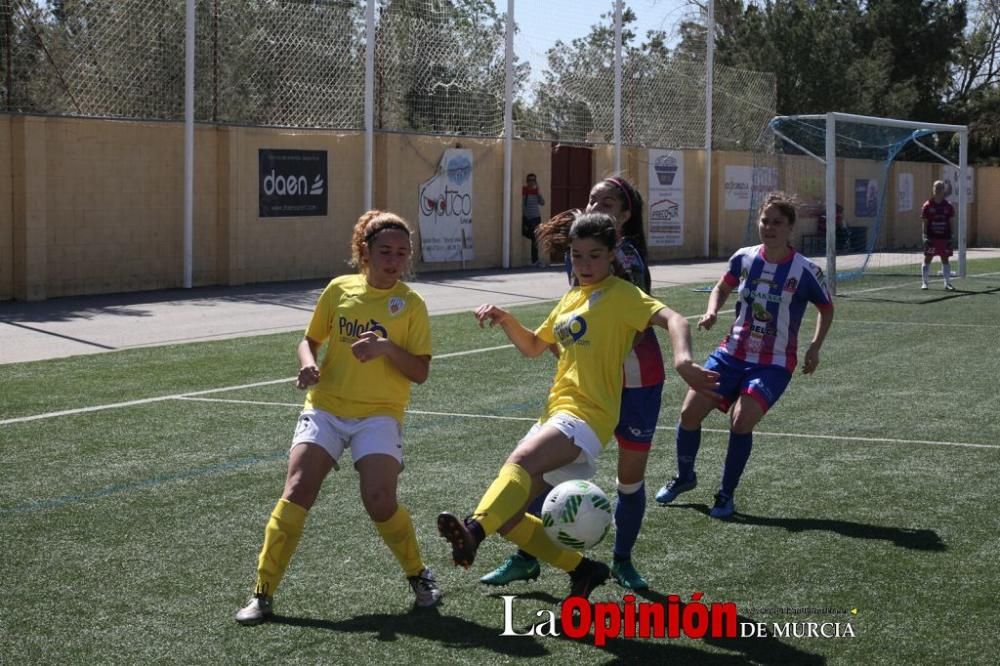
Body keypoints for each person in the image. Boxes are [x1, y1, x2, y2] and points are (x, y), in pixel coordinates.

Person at [437, 213, 719, 600]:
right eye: (577, 255)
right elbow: (534, 347)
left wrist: (683, 360)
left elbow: (673, 319)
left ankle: (472, 531)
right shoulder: (571, 298)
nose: (584, 265)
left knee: (518, 463)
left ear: (611, 256)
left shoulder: (622, 294)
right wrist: (505, 319)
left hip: (589, 414)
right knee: (511, 515)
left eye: (594, 256)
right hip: (555, 412)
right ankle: (583, 570)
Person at [235, 210, 441, 625]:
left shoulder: (412, 304)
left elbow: (420, 371)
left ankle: (419, 575)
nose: (394, 260)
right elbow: (309, 341)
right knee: (297, 490)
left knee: (379, 499)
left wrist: (385, 348)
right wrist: (308, 364)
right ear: (364, 251)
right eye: (385, 251)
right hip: (326, 407)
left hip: (379, 415)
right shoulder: (339, 289)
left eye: (402, 252)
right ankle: (263, 591)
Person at [479, 177, 665, 591]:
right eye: (592, 197)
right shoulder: (582, 257)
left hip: (636, 382)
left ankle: (623, 561)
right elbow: (573, 324)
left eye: (609, 201)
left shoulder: (624, 260)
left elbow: (633, 323)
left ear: (624, 217)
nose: (597, 203)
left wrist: (588, 347)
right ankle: (533, 556)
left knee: (628, 481)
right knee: (539, 481)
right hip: (586, 389)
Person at [655, 191, 834, 519]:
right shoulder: (744, 258)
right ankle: (684, 477)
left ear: (790, 228)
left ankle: (725, 495)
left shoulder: (805, 270)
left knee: (741, 421)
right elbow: (722, 287)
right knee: (689, 414)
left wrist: (814, 347)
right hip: (731, 353)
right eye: (765, 221)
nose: (769, 227)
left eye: (777, 222)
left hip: (774, 363)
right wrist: (711, 311)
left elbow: (826, 307)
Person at [921, 180, 955, 291]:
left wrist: (951, 236)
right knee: (927, 259)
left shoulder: (948, 206)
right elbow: (924, 222)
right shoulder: (927, 205)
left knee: (945, 259)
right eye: (936, 187)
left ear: (943, 190)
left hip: (944, 237)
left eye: (940, 187)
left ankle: (947, 283)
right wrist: (924, 236)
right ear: (933, 189)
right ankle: (925, 283)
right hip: (931, 237)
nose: (937, 190)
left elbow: (951, 222)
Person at [522, 173, 546, 267]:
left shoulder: (536, 191)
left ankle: (535, 261)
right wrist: (525, 216)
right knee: (534, 238)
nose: (531, 182)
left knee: (535, 239)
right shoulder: (525, 190)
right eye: (530, 180)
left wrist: (538, 192)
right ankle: (535, 261)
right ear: (527, 181)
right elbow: (523, 205)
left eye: (533, 180)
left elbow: (542, 203)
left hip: (537, 217)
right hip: (529, 218)